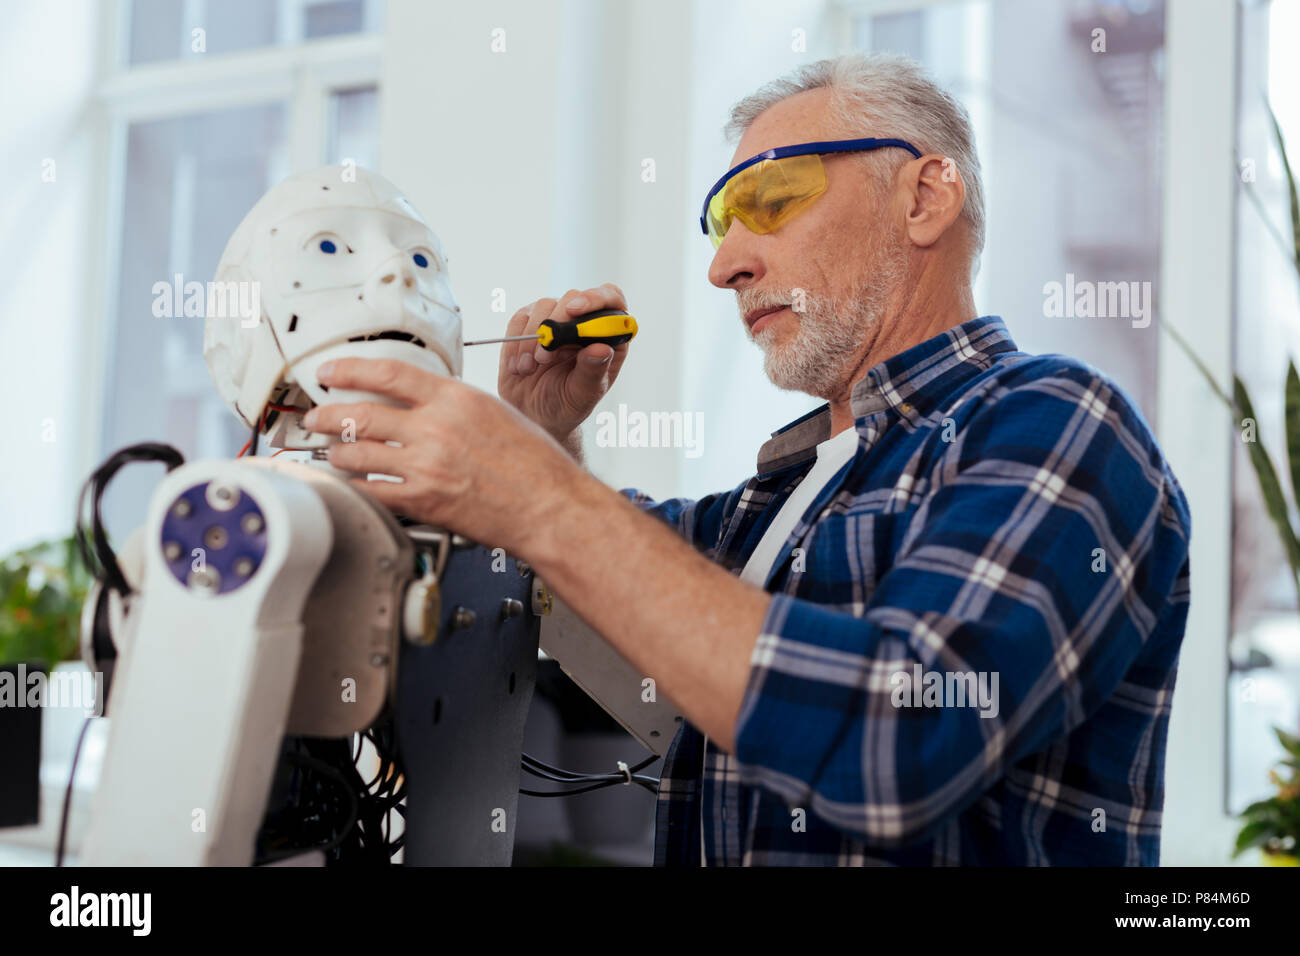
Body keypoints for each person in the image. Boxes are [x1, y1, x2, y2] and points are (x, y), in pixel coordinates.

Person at [301, 52, 1191, 866]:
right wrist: (543, 445)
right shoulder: (776, 506)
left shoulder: (1058, 422)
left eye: (769, 200)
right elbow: (629, 625)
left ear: (925, 197)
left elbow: (898, 742)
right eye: (722, 221)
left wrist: (540, 493)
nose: (725, 263)